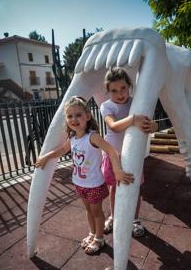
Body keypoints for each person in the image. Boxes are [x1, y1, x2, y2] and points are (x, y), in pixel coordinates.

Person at [35, 96, 134, 255]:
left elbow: (111, 150)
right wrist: (46, 157)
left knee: (97, 213)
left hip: (94, 184)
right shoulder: (73, 138)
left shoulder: (92, 136)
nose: (74, 119)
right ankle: (92, 233)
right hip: (79, 183)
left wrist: (117, 171)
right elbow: (62, 150)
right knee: (88, 211)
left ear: (87, 116)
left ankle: (99, 239)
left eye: (78, 115)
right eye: (70, 116)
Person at [100, 67, 158, 237]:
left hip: (132, 154)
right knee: (114, 188)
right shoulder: (107, 106)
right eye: (114, 90)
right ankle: (113, 216)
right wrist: (133, 119)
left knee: (134, 187)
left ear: (129, 86)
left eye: (123, 88)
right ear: (108, 91)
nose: (120, 94)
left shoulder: (136, 102)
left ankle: (134, 219)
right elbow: (113, 126)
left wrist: (153, 126)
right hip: (113, 156)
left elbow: (151, 123)